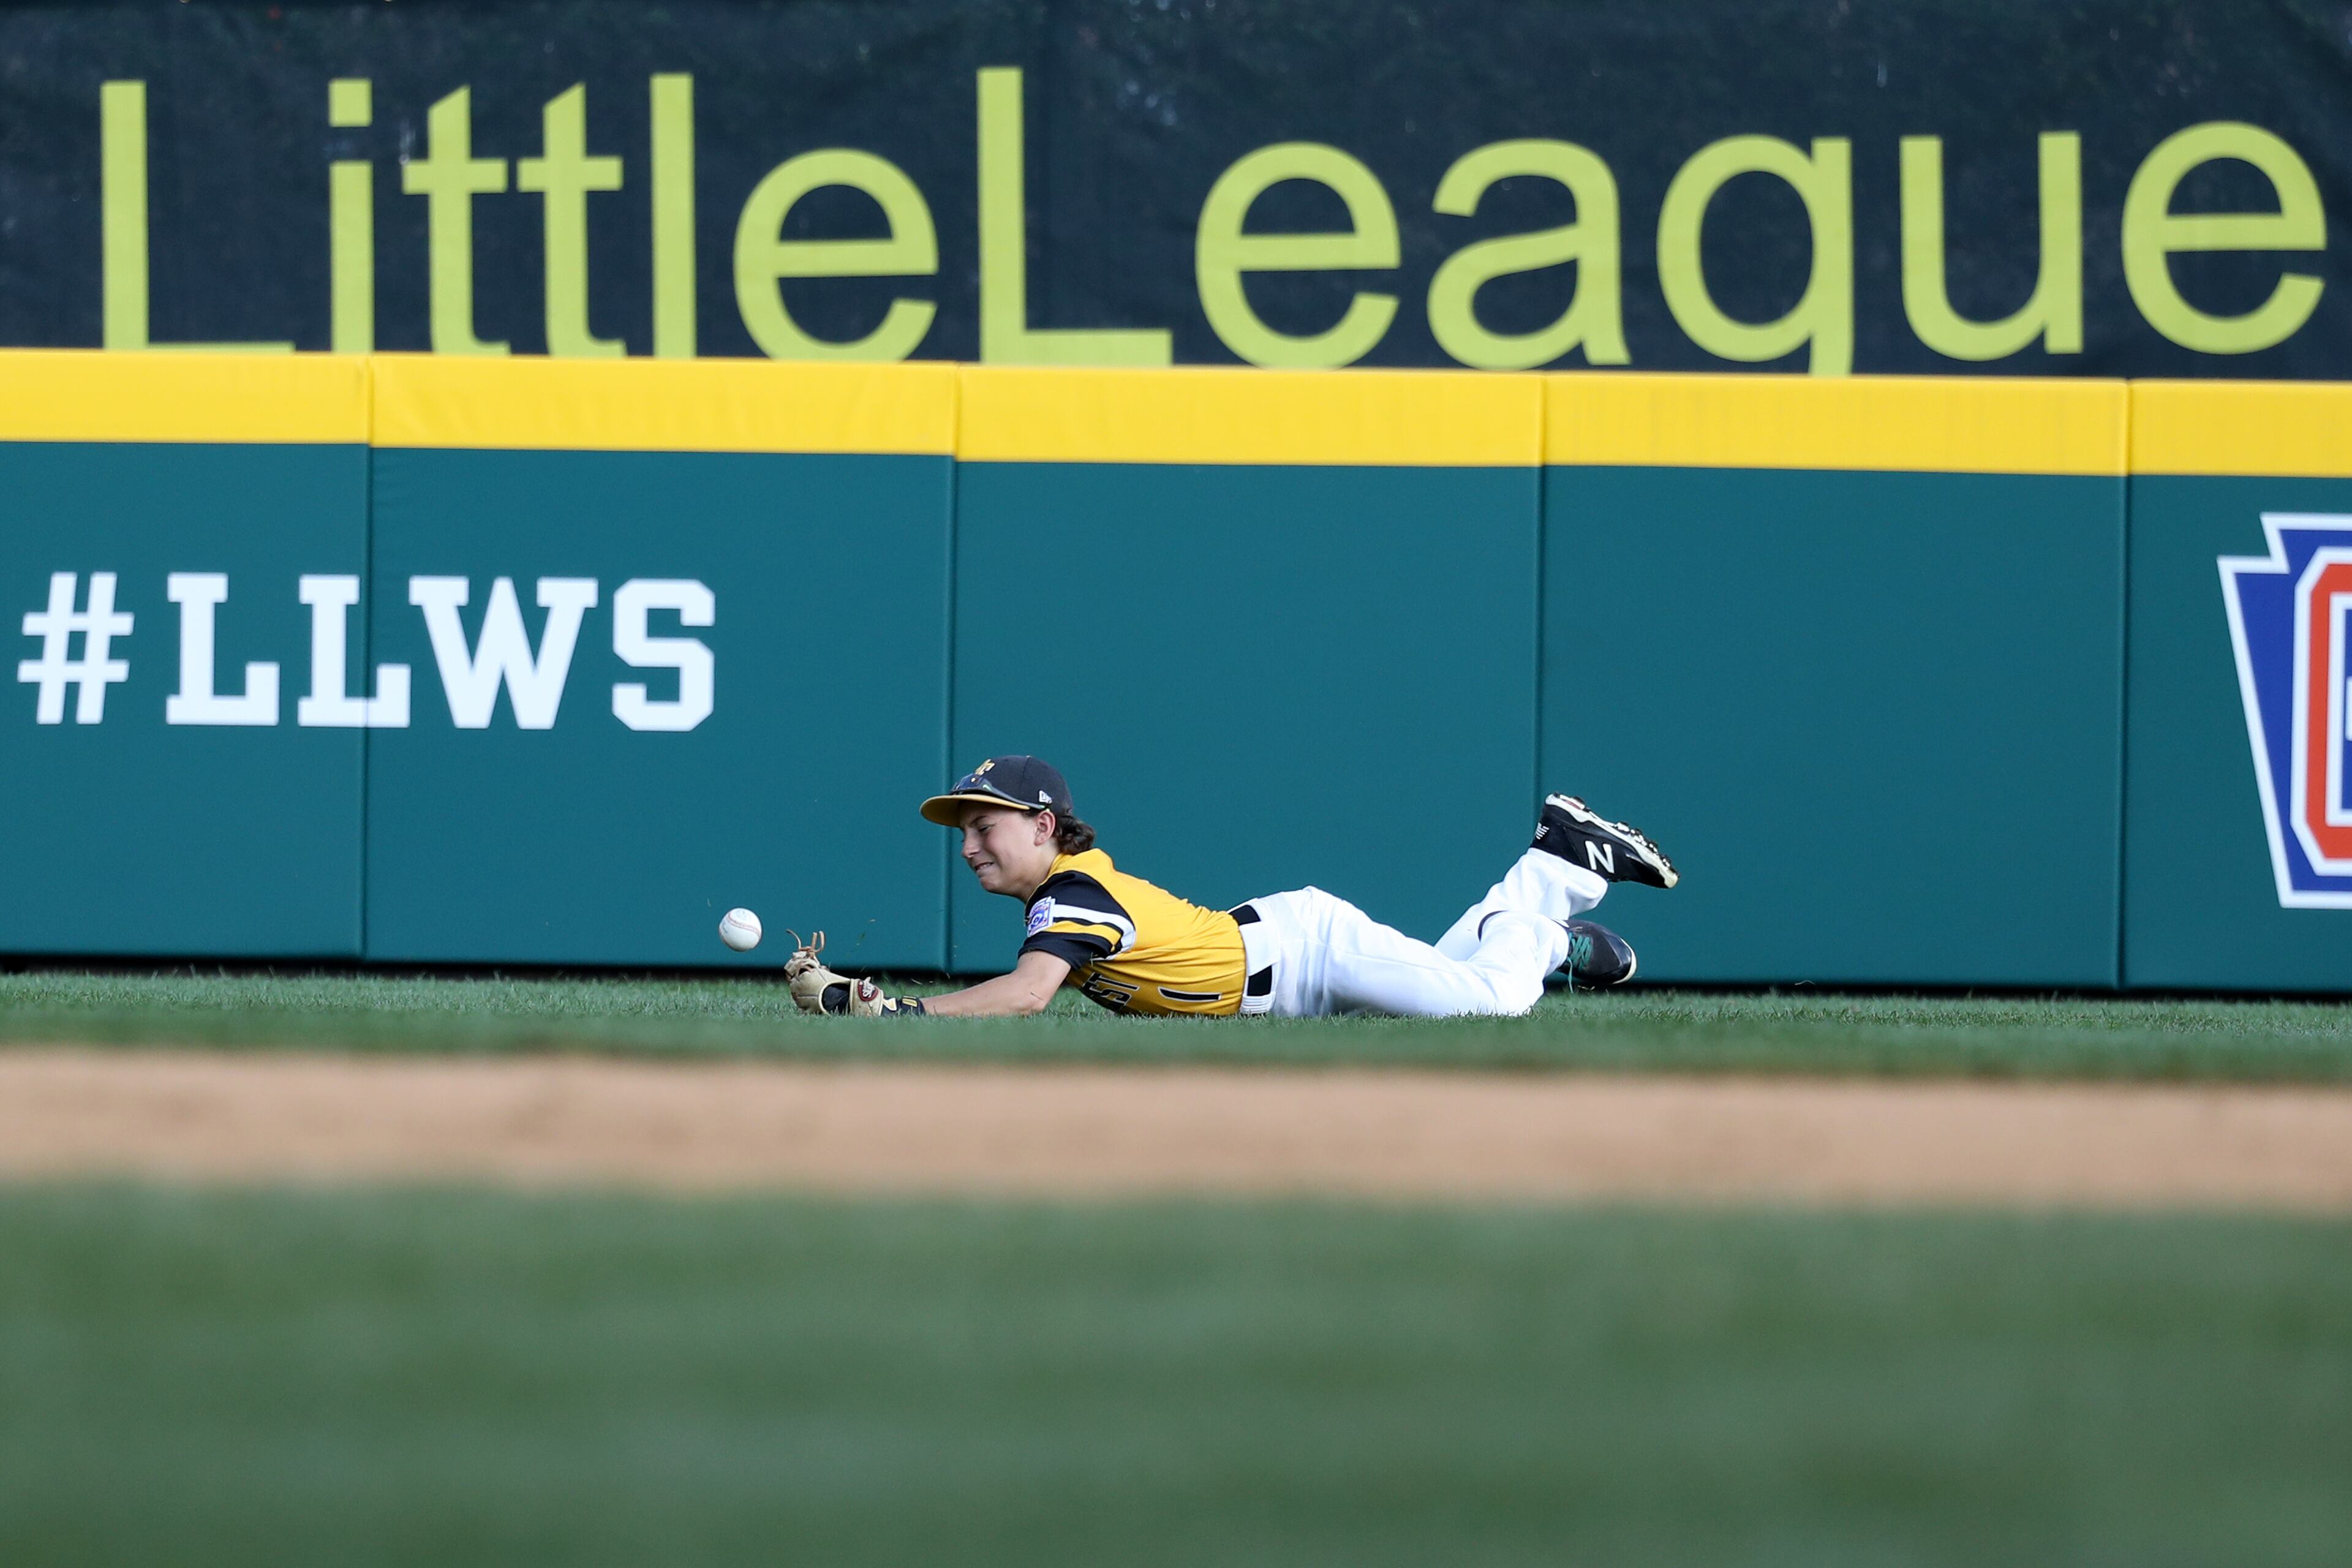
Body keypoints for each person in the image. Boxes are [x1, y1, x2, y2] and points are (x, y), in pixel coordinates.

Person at [784, 755, 1676, 1019]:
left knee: (1494, 1009)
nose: (971, 844)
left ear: (1044, 826)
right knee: (1461, 986)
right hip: (1287, 962)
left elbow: (1025, 998)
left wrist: (901, 1014)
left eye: (986, 825)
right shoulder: (1064, 894)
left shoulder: (1074, 895)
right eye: (965, 829)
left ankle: (1555, 879)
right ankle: (1525, 920)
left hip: (1306, 957)